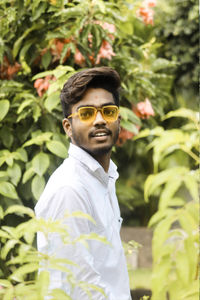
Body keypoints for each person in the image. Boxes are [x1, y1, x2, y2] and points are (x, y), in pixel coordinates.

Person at [35, 67, 132, 300]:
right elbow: (80, 288)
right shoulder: (71, 188)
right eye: (87, 114)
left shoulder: (103, 178)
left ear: (118, 118)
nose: (100, 120)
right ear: (68, 127)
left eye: (108, 111)